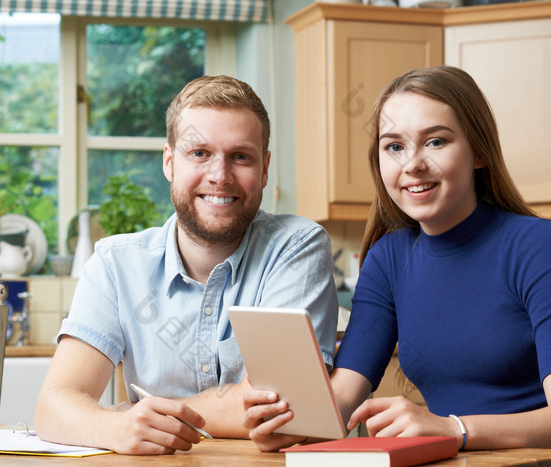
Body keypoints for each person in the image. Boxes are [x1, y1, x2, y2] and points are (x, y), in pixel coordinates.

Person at [243, 65, 551, 463]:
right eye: (394, 146)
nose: (412, 164)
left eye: (435, 142)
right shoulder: (388, 259)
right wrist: (289, 425)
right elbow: (345, 395)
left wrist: (454, 428)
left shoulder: (536, 244)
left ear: (480, 152)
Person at [35, 75, 338, 455]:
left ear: (264, 169)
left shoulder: (296, 246)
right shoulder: (115, 263)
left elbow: (283, 406)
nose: (220, 176)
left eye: (240, 156)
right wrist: (115, 426)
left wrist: (140, 415)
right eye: (199, 153)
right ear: (169, 162)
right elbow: (54, 406)